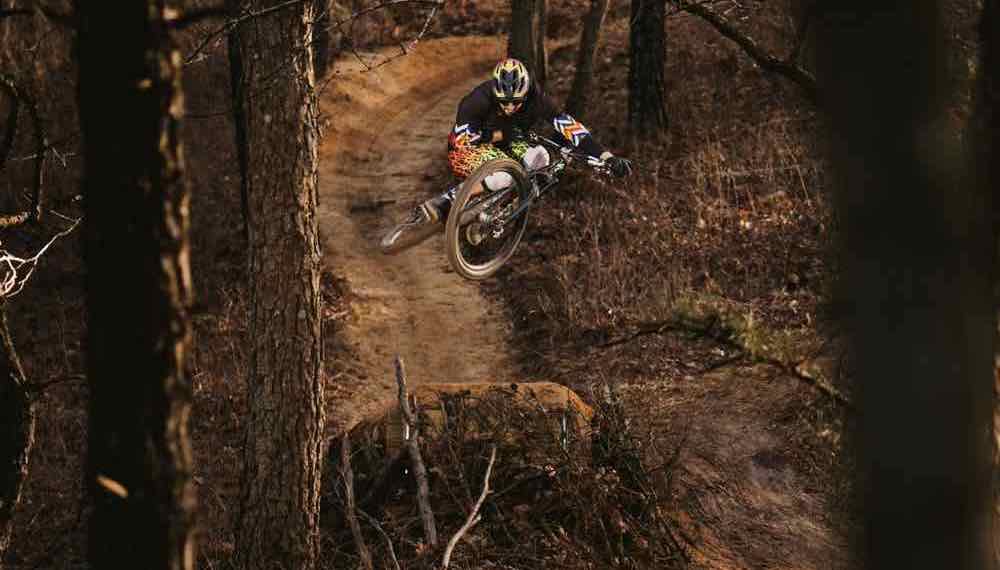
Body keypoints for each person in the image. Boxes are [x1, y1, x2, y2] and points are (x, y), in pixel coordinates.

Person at [382, 58, 632, 252]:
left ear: (526, 93)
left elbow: (571, 128)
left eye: (516, 102)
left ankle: (504, 206)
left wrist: (607, 157)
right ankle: (446, 200)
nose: (510, 107)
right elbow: (464, 140)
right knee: (503, 175)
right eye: (504, 102)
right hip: (468, 147)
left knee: (541, 158)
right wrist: (500, 135)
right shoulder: (476, 101)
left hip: (510, 143)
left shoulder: (537, 99)